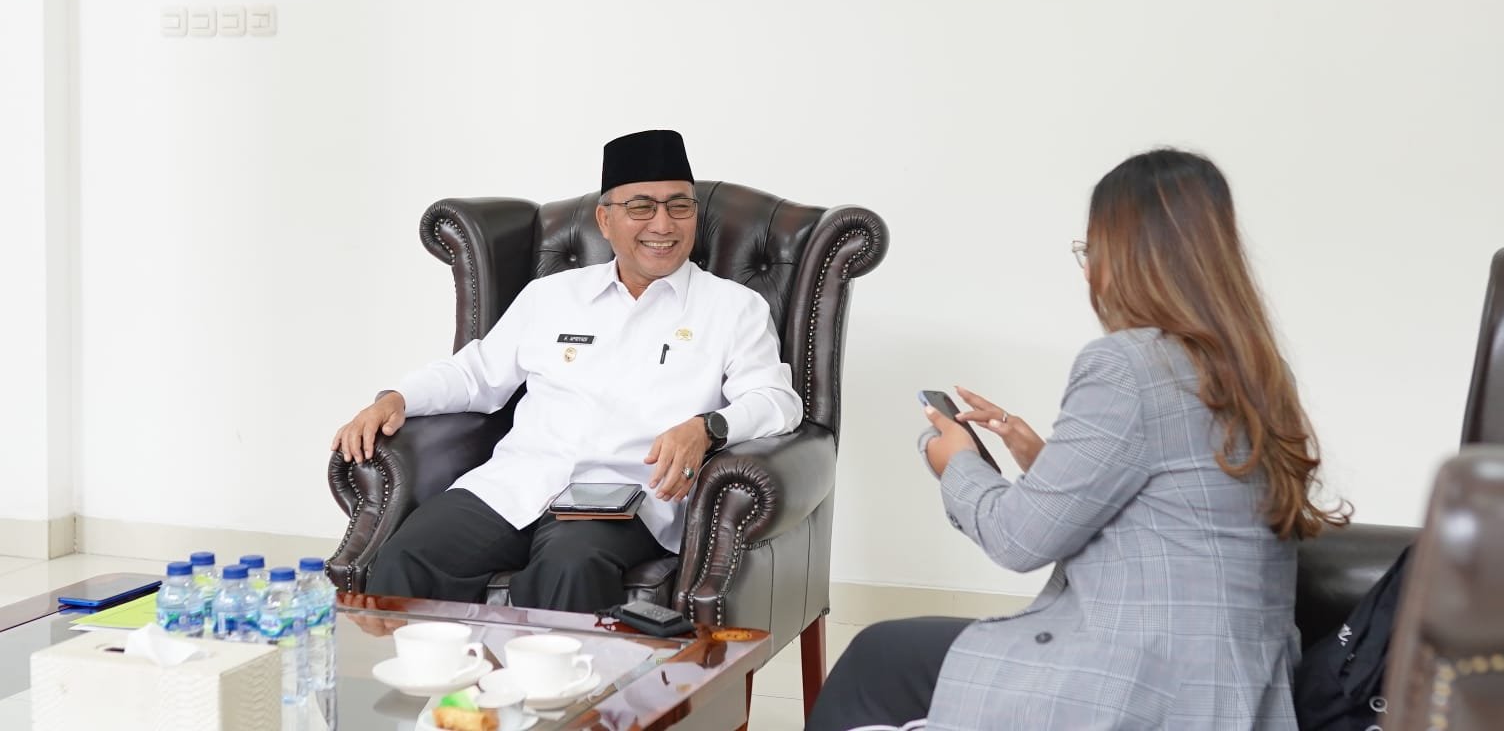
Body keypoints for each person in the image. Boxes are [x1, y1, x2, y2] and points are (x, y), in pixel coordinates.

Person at [805, 148, 1349, 731]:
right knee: (896, 654)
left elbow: (1017, 541)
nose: (1087, 271)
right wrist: (1041, 458)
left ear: (1129, 259)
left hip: (1146, 683)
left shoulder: (1128, 363)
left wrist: (955, 462)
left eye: (1091, 251)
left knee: (876, 658)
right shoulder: (1258, 368)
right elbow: (1176, 503)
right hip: (1237, 686)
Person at [330, 129, 802, 612]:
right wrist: (397, 399)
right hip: (517, 482)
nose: (663, 224)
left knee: (568, 568)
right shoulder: (552, 296)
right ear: (605, 219)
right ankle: (433, 667)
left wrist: (707, 428)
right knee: (409, 555)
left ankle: (551, 669)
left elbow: (777, 402)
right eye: (641, 207)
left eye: (679, 206)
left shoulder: (733, 308)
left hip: (622, 498)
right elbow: (475, 375)